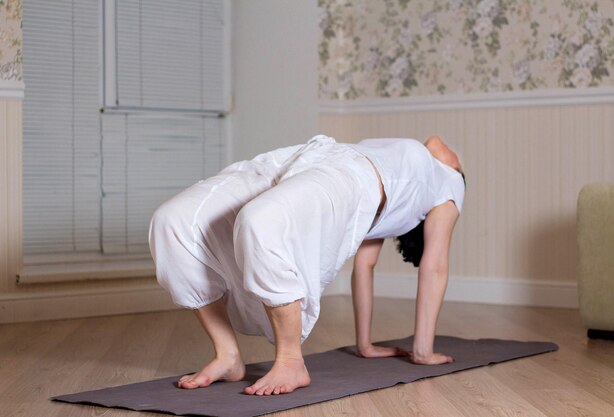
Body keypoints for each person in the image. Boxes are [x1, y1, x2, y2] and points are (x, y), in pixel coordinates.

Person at [148, 134, 465, 396]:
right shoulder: (394, 203)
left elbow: (433, 266)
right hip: (311, 154)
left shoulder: (450, 185)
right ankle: (227, 355)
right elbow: (364, 269)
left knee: (260, 222)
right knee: (171, 221)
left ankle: (290, 361)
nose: (453, 155)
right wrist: (365, 345)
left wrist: (423, 351)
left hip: (350, 174)